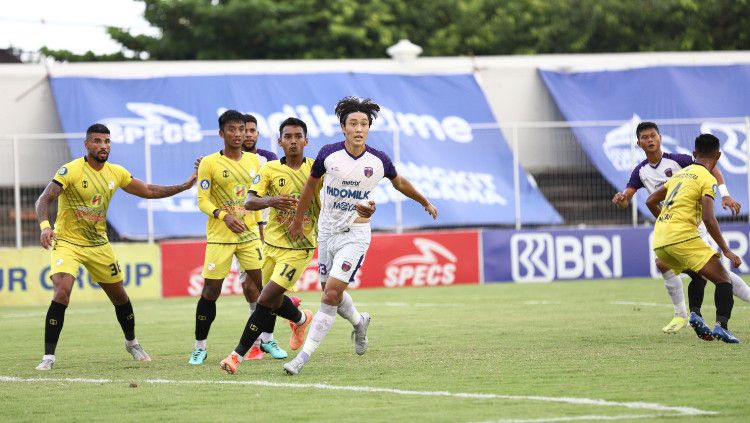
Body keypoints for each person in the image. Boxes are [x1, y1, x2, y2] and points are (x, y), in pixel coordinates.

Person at [282, 96, 438, 375]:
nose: (359, 128)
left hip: (356, 233)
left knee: (330, 295)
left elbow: (399, 182)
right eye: (353, 123)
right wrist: (298, 221)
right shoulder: (328, 154)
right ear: (343, 127)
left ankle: (302, 358)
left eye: (364, 124)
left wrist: (424, 201)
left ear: (368, 128)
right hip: (327, 232)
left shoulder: (378, 160)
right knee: (330, 291)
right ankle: (358, 322)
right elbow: (310, 187)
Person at [219, 117, 377, 374]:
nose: (293, 141)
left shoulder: (318, 169)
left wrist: (363, 207)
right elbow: (249, 202)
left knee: (264, 299)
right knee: (271, 300)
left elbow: (343, 194)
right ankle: (301, 319)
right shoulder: (269, 169)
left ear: (306, 141)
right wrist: (272, 201)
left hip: (300, 247)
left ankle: (236, 355)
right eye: (288, 137)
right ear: (280, 142)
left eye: (297, 137)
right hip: (271, 245)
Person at [34, 123, 197, 370]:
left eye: (107, 141)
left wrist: (184, 186)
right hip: (67, 242)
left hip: (98, 244)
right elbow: (44, 199)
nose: (103, 146)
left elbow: (150, 191)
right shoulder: (71, 171)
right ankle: (49, 357)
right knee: (62, 290)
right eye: (98, 141)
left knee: (119, 296)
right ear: (86, 144)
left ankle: (132, 342)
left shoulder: (116, 172)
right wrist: (46, 226)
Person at [612, 122, 748, 334]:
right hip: (677, 230)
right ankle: (682, 314)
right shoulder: (640, 171)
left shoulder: (679, 160)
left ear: (660, 138)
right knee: (667, 264)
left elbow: (712, 170)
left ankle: (701, 310)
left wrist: (725, 193)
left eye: (652, 136)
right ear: (638, 143)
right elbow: (628, 196)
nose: (649, 140)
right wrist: (622, 199)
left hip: (696, 227)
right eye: (645, 137)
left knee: (717, 274)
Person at [189, 109, 271, 365]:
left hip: (249, 237)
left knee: (265, 288)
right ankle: (200, 346)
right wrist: (224, 216)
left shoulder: (256, 162)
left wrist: (261, 231)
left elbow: (255, 199)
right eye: (233, 130)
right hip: (219, 237)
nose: (239, 134)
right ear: (222, 133)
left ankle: (269, 338)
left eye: (242, 130)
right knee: (211, 290)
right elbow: (202, 200)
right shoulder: (209, 163)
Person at [646, 133, 742, 343]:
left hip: (661, 241)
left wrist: (665, 220)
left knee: (699, 276)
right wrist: (726, 250)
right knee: (723, 280)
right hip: (683, 238)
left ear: (694, 154)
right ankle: (722, 326)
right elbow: (708, 218)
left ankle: (695, 315)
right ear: (718, 155)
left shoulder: (680, 175)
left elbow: (650, 200)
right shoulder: (708, 178)